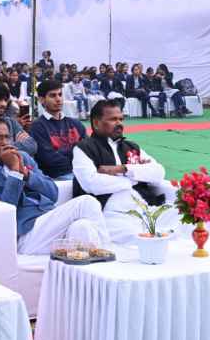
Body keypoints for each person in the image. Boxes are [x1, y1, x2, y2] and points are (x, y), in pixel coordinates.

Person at [0, 116, 109, 254]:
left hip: (47, 222)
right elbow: (5, 211)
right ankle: (107, 252)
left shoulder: (23, 157)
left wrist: (27, 175)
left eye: (7, 137)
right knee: (86, 202)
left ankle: (91, 267)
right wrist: (15, 172)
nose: (4, 142)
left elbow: (53, 194)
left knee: (83, 228)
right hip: (24, 234)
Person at [72, 100, 182, 244]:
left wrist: (123, 169)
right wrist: (134, 178)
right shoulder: (83, 148)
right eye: (113, 119)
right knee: (140, 239)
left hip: (146, 208)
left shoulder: (130, 147)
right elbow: (92, 184)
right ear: (96, 123)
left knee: (182, 217)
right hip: (112, 215)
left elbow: (158, 172)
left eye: (121, 119)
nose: (119, 123)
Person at [30, 80, 86, 181]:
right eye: (53, 95)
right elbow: (48, 159)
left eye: (60, 95)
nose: (58, 99)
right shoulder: (37, 127)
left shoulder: (75, 123)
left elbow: (89, 150)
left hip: (81, 171)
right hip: (59, 176)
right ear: (42, 100)